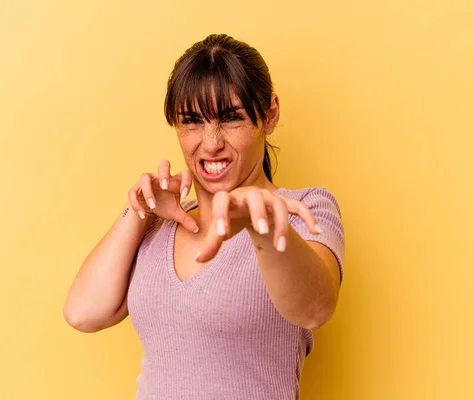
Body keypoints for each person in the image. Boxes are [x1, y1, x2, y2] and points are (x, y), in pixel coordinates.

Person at [63, 33, 345, 400]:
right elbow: (82, 313)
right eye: (192, 121)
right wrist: (139, 211)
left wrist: (261, 227)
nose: (211, 143)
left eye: (231, 118)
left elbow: (315, 309)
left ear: (270, 114)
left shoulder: (303, 210)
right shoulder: (159, 225)